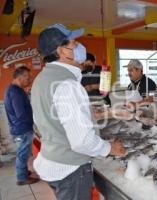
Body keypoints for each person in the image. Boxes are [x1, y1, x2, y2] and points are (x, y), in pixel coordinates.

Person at [31, 23, 126, 200]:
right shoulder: (68, 85)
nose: (79, 46)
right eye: (74, 43)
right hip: (70, 170)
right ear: (62, 51)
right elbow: (82, 141)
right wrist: (109, 148)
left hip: (52, 160)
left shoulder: (41, 79)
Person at [4, 66, 39, 185]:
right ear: (21, 77)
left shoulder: (12, 89)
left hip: (18, 128)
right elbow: (20, 114)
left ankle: (23, 172)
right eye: (28, 78)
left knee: (22, 152)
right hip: (22, 129)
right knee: (22, 154)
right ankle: (21, 178)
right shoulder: (16, 92)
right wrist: (33, 124)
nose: (29, 80)